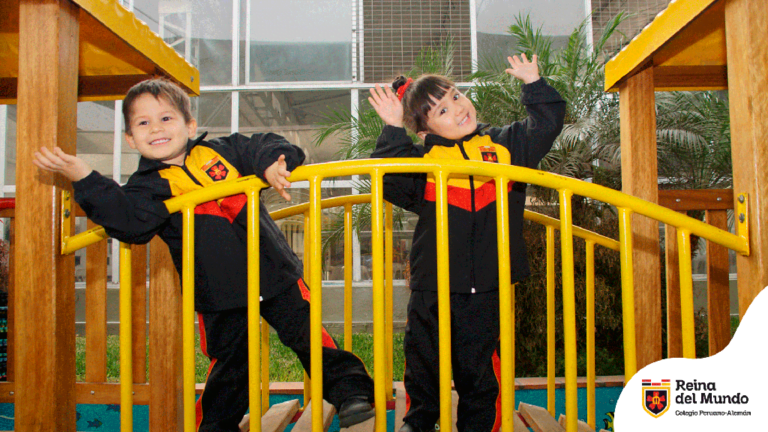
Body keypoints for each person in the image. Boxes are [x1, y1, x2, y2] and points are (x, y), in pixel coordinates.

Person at [32, 78, 375, 431]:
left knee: (308, 336)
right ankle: (216, 426)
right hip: (218, 291)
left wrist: (272, 164)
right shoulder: (147, 187)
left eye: (166, 118)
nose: (156, 129)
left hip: (273, 272)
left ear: (190, 125)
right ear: (131, 138)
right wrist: (84, 177)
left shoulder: (224, 152)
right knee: (231, 363)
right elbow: (129, 223)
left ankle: (352, 393)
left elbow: (266, 143)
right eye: (143, 123)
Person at [368, 54, 565, 432]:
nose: (458, 108)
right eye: (442, 110)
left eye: (456, 96)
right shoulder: (424, 160)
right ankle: (418, 422)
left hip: (486, 285)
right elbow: (391, 181)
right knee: (423, 358)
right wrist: (393, 128)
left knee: (479, 367)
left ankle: (479, 426)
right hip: (432, 283)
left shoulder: (503, 145)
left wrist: (534, 84)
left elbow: (545, 125)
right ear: (424, 132)